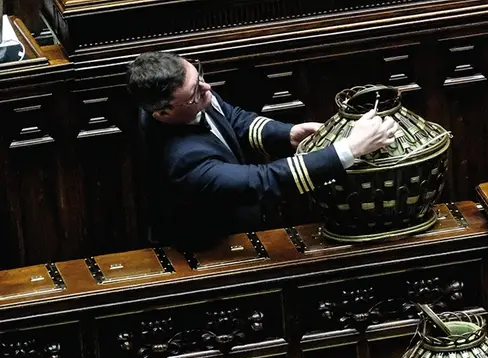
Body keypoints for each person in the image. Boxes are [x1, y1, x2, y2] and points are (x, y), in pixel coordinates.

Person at [125, 51, 397, 249]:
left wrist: (287, 134)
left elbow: (234, 119)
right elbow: (261, 181)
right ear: (163, 112)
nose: (208, 89)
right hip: (212, 250)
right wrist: (349, 149)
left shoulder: (193, 96)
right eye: (196, 92)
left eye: (200, 77)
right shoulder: (183, 161)